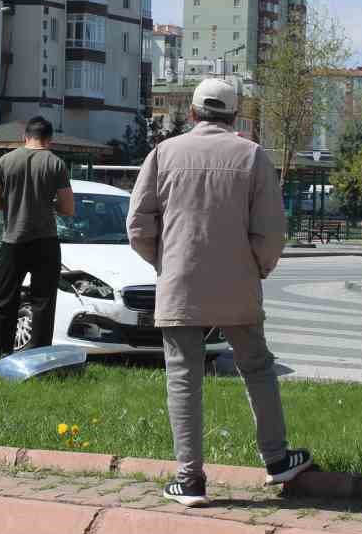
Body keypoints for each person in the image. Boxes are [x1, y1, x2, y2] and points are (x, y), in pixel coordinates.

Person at [127, 79, 313, 506]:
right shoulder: (253, 157)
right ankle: (278, 458)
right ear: (234, 117)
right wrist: (256, 268)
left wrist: (165, 262)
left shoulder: (162, 154)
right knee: (258, 368)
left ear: (192, 114)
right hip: (238, 283)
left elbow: (138, 225)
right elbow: (270, 231)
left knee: (183, 377)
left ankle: (190, 479)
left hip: (180, 281)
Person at [0, 116, 75, 354]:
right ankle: (38, 353)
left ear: (25, 137)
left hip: (13, 240)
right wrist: (46, 203)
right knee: (43, 301)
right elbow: (68, 208)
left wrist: (14, 203)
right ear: (50, 140)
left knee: (6, 298)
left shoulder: (5, 161)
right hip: (45, 241)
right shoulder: (56, 164)